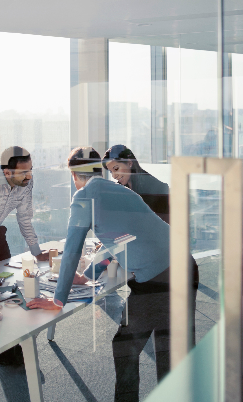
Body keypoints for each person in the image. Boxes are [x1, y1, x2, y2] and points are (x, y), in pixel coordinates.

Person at [27, 146, 198, 402]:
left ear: (74, 176)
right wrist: (88, 274)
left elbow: (72, 250)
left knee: (126, 347)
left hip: (158, 280)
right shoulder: (121, 191)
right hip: (186, 266)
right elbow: (121, 240)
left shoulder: (84, 197)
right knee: (169, 350)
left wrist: (58, 300)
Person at [0, 146, 49, 366]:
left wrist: (36, 251)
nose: (29, 176)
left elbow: (25, 219)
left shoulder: (25, 183)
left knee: (8, 285)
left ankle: (11, 348)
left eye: (30, 170)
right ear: (7, 172)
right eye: (24, 172)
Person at [102, 144, 170, 223]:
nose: (114, 176)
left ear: (129, 163)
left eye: (116, 169)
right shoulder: (120, 189)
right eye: (111, 172)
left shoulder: (156, 188)